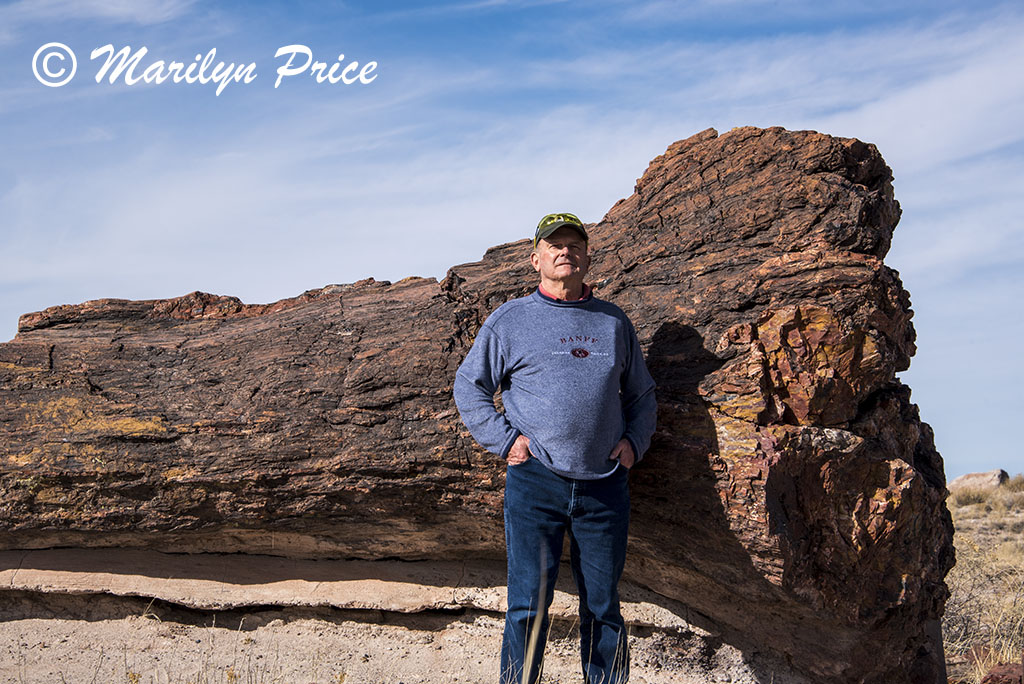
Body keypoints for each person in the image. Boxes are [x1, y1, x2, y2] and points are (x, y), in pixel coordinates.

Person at [453, 212, 657, 684]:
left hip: (604, 486)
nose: (565, 252)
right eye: (554, 246)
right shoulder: (510, 321)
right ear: (536, 259)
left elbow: (642, 395)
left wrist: (634, 444)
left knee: (603, 606)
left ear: (587, 256)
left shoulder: (613, 322)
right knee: (528, 606)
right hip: (535, 485)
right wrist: (506, 441)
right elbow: (470, 386)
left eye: (574, 245)